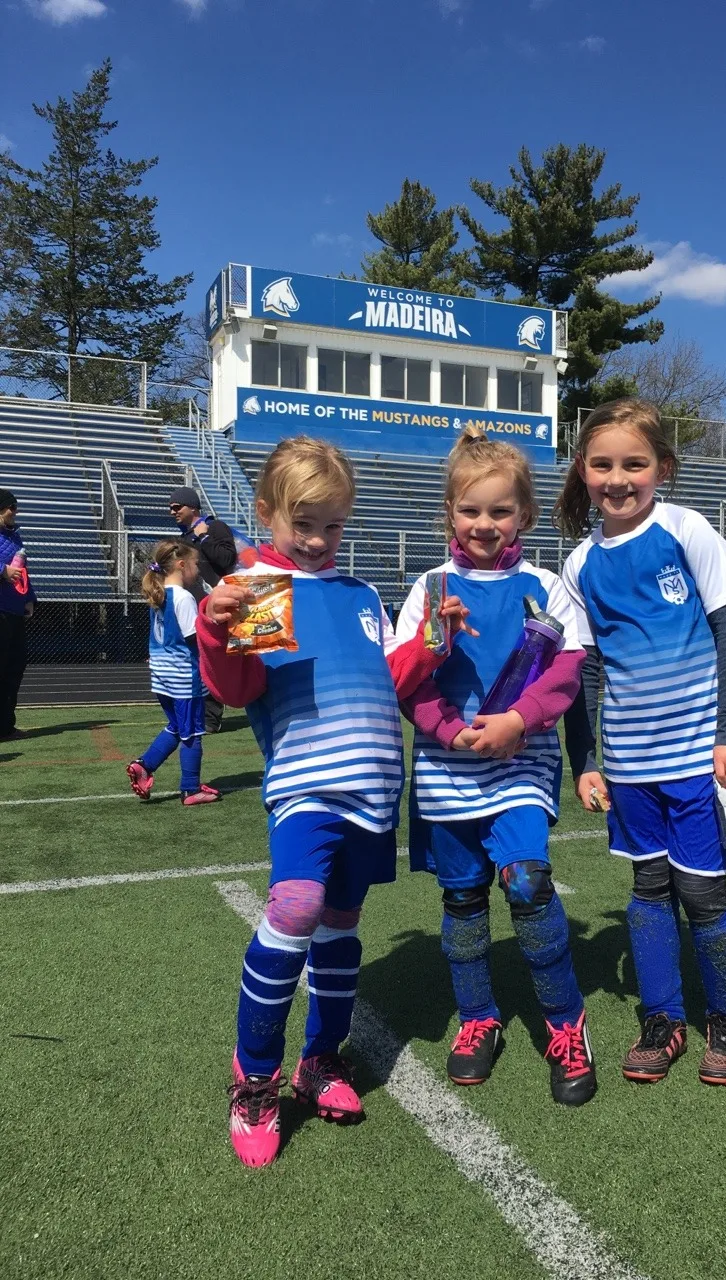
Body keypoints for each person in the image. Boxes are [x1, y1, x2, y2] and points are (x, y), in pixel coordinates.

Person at [196, 434, 473, 1166]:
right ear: (266, 512)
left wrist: (434, 644)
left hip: (374, 791)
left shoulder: (358, 595)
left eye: (333, 524)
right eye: (304, 523)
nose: (319, 539)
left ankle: (321, 1059)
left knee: (340, 927)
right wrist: (215, 634)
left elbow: (391, 676)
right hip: (306, 787)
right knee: (294, 908)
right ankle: (254, 1078)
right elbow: (236, 690)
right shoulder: (257, 584)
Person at [395, 426, 596, 1108]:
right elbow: (406, 682)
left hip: (522, 763)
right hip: (448, 770)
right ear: (449, 513)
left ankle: (567, 1025)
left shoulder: (546, 586)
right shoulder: (428, 588)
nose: (485, 523)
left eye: (500, 511)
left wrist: (518, 720)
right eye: (471, 510)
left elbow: (569, 673)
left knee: (530, 885)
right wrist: (448, 732)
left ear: (526, 516)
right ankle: (478, 1018)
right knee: (463, 900)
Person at [557, 398, 726, 1087]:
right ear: (583, 470)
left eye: (634, 464)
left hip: (700, 756)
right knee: (647, 890)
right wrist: (584, 761)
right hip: (631, 765)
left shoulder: (685, 528)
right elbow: (583, 673)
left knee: (702, 895)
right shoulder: (579, 566)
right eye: (603, 463)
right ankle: (663, 1020)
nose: (618, 478)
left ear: (662, 469)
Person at [126, 539, 221, 806]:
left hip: (162, 675)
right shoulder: (184, 597)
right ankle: (190, 789)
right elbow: (194, 638)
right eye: (195, 564)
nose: (198, 570)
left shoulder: (159, 593)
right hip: (183, 677)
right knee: (191, 733)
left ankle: (144, 766)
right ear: (181, 565)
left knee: (177, 727)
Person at [168, 486, 237, 733]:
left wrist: (204, 538)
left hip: (217, 608)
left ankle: (212, 716)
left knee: (214, 661)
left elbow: (228, 561)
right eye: (170, 507)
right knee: (195, 661)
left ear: (193, 507)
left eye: (178, 507)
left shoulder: (215, 527)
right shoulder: (183, 539)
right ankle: (198, 713)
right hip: (191, 608)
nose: (172, 511)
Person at [0, 489, 37, 742]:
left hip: (13, 609)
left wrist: (29, 598)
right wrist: (2, 571)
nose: (15, 511)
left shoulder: (15, 537)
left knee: (14, 667)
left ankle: (5, 726)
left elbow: (22, 572)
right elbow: (9, 570)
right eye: (11, 507)